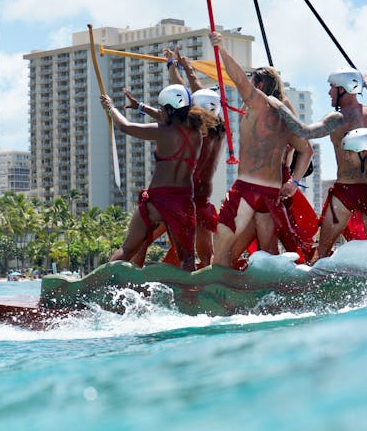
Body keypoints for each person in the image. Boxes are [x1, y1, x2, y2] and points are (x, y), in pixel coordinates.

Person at [208, 31, 344, 270]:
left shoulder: (258, 104)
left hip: (247, 190)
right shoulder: (285, 120)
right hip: (272, 194)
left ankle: (215, 292)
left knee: (221, 252)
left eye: (252, 84)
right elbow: (307, 150)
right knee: (269, 254)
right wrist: (294, 182)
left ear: (259, 86)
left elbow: (238, 78)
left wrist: (221, 49)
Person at [124, 47, 225, 267]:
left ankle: (131, 278)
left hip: (182, 199)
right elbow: (175, 115)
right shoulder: (217, 130)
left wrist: (173, 65)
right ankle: (204, 287)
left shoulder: (195, 129)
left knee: (141, 243)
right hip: (199, 199)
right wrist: (185, 68)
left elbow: (173, 115)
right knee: (205, 256)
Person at [100, 84, 215, 272]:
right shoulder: (197, 133)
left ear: (169, 110)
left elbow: (125, 126)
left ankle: (98, 286)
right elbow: (170, 118)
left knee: (127, 250)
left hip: (158, 200)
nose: (160, 111)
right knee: (186, 259)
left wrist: (111, 107)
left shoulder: (163, 132)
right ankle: (189, 296)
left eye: (162, 108)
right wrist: (141, 107)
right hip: (183, 202)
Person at [313, 68, 367, 262]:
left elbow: (307, 133)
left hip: (346, 191)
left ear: (344, 88)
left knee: (322, 253)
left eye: (332, 87)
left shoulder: (334, 119)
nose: (329, 92)